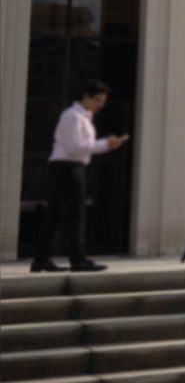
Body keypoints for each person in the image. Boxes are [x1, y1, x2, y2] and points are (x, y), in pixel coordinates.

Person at [31, 80, 127, 272]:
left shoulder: (82, 116)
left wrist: (105, 144)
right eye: (98, 100)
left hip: (64, 167)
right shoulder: (73, 116)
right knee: (75, 214)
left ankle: (41, 259)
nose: (100, 105)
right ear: (86, 97)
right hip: (68, 167)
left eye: (103, 101)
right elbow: (75, 147)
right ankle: (78, 260)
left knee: (55, 214)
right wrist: (106, 144)